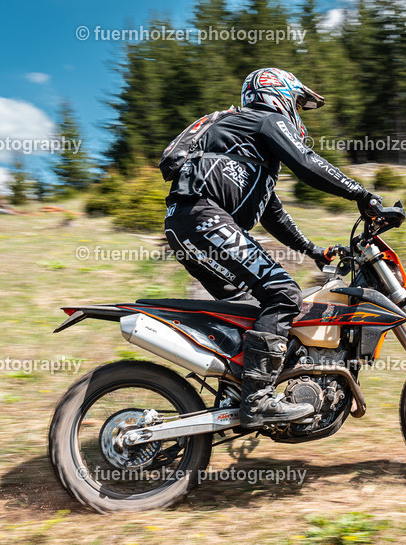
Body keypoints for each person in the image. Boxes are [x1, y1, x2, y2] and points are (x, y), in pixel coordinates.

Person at [164, 67, 383, 428]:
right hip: (204, 219)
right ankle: (258, 400)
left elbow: (272, 213)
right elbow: (307, 163)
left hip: (189, 224)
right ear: (277, 93)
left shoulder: (248, 149)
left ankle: (237, 394)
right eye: (297, 101)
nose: (297, 110)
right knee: (284, 294)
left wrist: (312, 250)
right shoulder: (264, 120)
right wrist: (362, 195)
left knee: (247, 311)